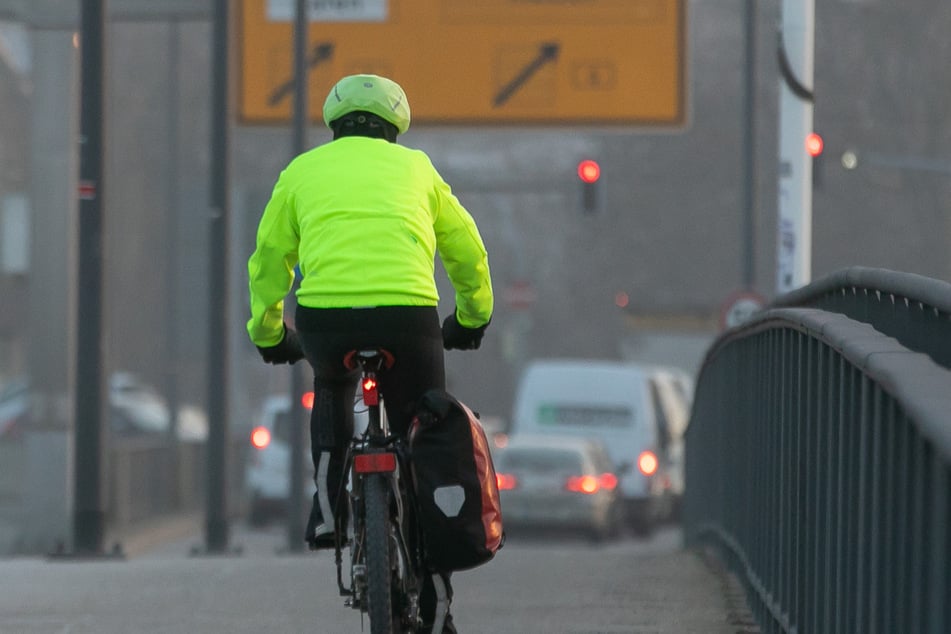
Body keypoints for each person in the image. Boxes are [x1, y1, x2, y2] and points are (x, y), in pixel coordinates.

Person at [246, 73, 493, 633]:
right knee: (424, 429)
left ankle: (330, 511)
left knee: (331, 388)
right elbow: (466, 250)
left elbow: (268, 260)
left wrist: (268, 333)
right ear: (396, 126)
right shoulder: (419, 170)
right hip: (408, 320)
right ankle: (435, 603)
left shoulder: (302, 172)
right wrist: (472, 318)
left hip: (326, 320)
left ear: (334, 123)